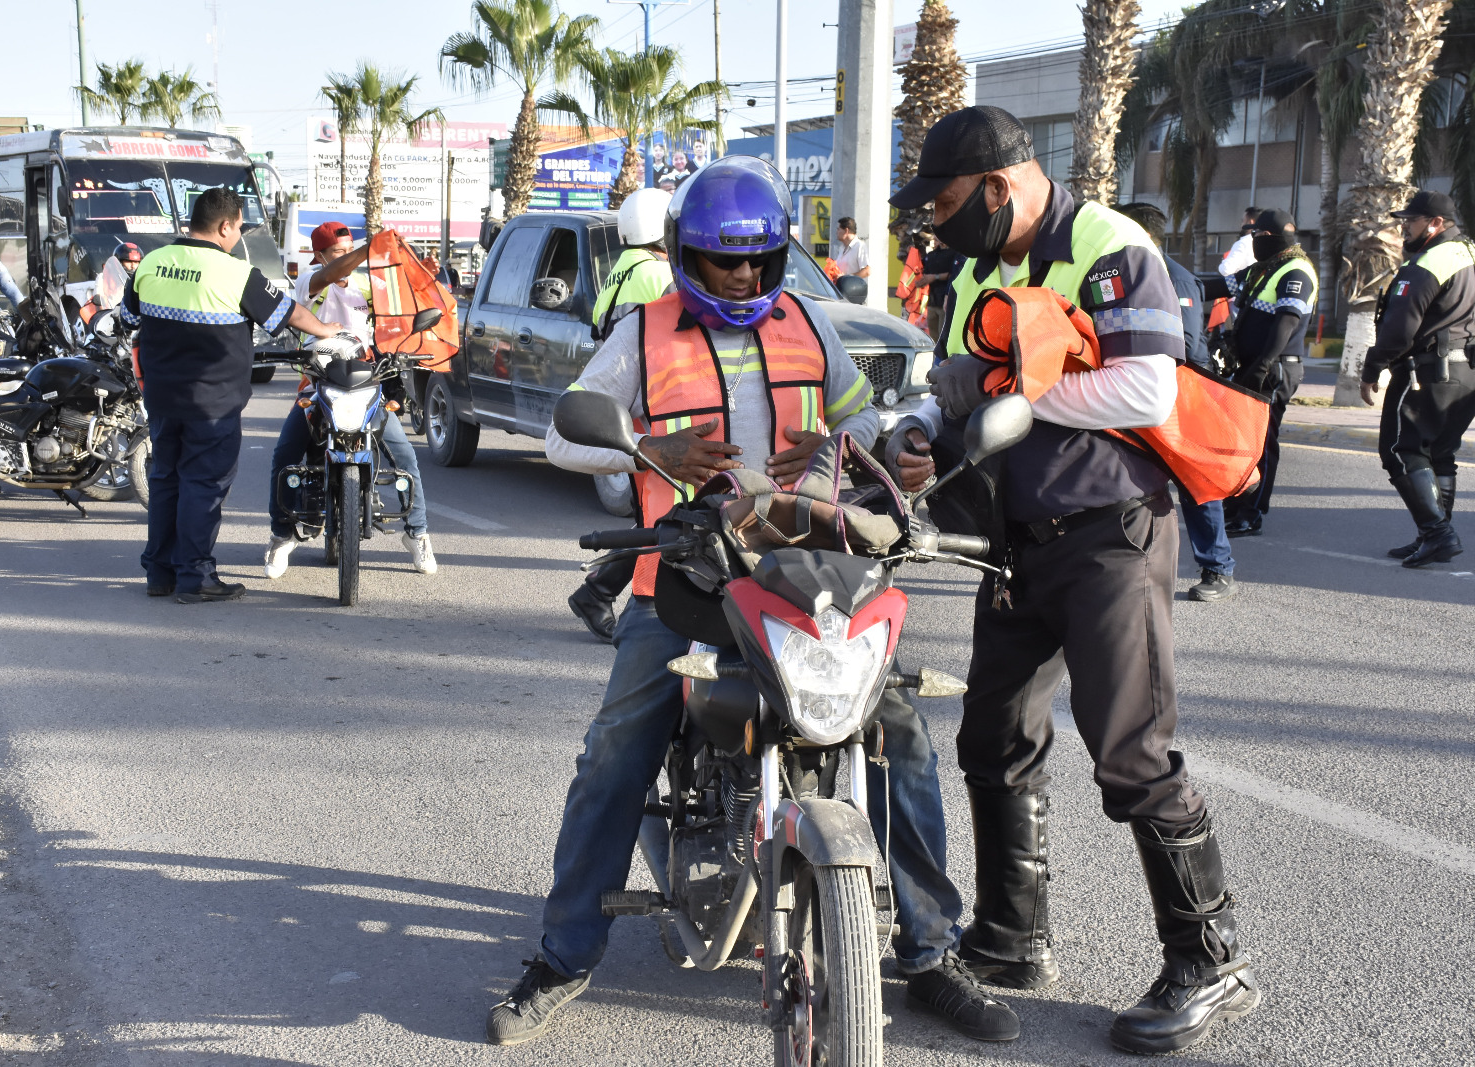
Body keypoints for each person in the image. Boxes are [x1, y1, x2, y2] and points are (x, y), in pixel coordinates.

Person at [489, 155, 1019, 1049]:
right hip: (683, 580)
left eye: (758, 260)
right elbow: (562, 434)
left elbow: (860, 415)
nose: (742, 276)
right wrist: (646, 448)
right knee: (614, 753)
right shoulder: (643, 333)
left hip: (805, 575)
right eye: (723, 260)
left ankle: (931, 952)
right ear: (687, 256)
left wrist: (850, 445)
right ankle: (563, 954)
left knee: (900, 737)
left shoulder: (807, 323)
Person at [885, 105, 1258, 1055]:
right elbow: (952, 385)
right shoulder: (977, 270)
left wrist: (1009, 396)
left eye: (947, 203)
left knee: (1132, 752)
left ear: (999, 186)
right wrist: (923, 428)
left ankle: (1211, 961)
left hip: (1108, 536)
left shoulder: (1106, 244)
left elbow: (1146, 386)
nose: (937, 224)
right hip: (1016, 541)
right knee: (993, 736)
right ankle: (1013, 939)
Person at [121, 187, 340, 603]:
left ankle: (160, 574)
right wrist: (328, 331)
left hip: (162, 398)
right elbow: (288, 313)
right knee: (202, 484)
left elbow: (128, 317)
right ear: (224, 226)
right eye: (238, 227)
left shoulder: (151, 262)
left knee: (166, 479)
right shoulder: (235, 272)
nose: (239, 235)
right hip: (212, 404)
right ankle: (195, 577)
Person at [263, 219, 438, 578]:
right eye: (337, 252)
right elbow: (332, 274)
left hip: (365, 384)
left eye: (349, 250)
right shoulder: (309, 281)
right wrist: (365, 251)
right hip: (318, 385)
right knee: (284, 455)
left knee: (405, 455)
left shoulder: (366, 285)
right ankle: (281, 536)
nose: (346, 257)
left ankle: (418, 534)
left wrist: (420, 278)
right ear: (320, 255)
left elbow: (397, 312)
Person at [566, 188, 677, 641]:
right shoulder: (660, 274)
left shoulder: (618, 273)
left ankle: (599, 591)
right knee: (660, 519)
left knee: (654, 517)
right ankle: (602, 593)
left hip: (623, 408)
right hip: (654, 409)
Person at [1117, 202, 1237, 602]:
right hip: (1140, 390)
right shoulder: (1126, 272)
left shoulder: (1177, 279)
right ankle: (1130, 567)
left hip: (1184, 393)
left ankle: (1218, 568)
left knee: (1195, 483)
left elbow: (1182, 344)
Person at [1360, 188, 1475, 567]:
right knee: (1440, 453)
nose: (1404, 227)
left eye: (1411, 220)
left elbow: (1399, 330)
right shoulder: (1469, 253)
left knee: (1400, 449)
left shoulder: (1429, 262)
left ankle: (1437, 533)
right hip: (1466, 371)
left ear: (1436, 223)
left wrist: (1372, 367)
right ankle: (1434, 534)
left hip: (1426, 372)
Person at [1204, 209, 1316, 537]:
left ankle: (1252, 513)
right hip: (1251, 367)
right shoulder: (1262, 270)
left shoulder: (1296, 270)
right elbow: (1216, 286)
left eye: (1256, 235)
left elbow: (1287, 322)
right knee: (1238, 440)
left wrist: (1263, 365)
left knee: (1262, 443)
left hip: (1274, 370)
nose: (1252, 241)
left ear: (1268, 237)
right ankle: (1236, 503)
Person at [918, 231, 966, 340]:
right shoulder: (932, 255)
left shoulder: (955, 254)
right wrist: (922, 281)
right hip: (932, 302)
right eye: (934, 239)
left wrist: (935, 277)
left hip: (945, 301)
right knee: (933, 336)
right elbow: (925, 272)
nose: (936, 241)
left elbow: (953, 275)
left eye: (937, 238)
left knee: (943, 336)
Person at [92, 242, 143, 310]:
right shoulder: (103, 277)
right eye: (129, 261)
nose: (133, 266)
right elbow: (98, 297)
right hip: (109, 312)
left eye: (136, 262)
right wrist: (100, 300)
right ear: (119, 262)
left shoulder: (141, 279)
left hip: (132, 312)